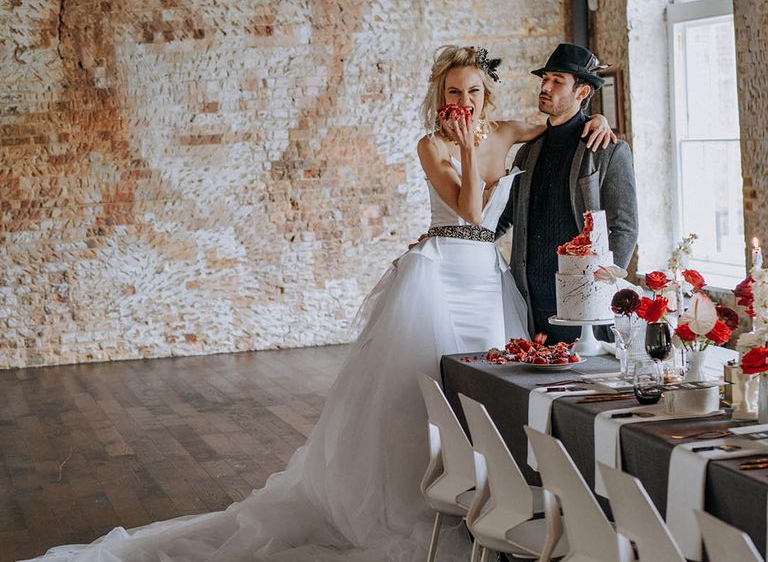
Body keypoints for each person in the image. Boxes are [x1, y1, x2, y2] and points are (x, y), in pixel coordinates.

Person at [27, 46, 614, 562]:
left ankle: (488, 497)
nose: (464, 99)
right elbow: (465, 210)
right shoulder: (431, 145)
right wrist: (463, 152)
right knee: (416, 395)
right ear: (441, 98)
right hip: (438, 277)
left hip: (486, 278)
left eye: (474, 91)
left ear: (488, 95)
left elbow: (562, 126)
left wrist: (602, 123)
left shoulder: (509, 132)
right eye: (453, 91)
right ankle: (414, 504)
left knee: (485, 388)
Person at [496, 42, 639, 345]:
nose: (545, 87)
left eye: (557, 81)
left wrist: (601, 283)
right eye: (545, 79)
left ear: (582, 92)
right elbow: (505, 216)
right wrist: (458, 241)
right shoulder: (528, 151)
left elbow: (624, 226)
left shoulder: (608, 150)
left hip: (587, 303)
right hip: (531, 302)